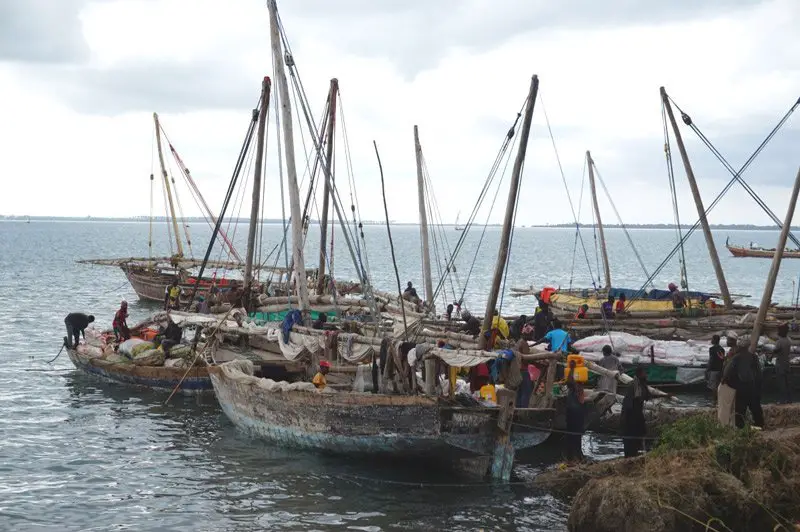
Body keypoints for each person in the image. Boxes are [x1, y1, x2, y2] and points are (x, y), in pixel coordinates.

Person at [722, 345, 764, 429]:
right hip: (753, 386)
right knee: (755, 407)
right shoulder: (754, 356)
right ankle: (759, 425)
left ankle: (741, 427)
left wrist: (724, 379)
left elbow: (727, 370)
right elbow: (759, 372)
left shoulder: (737, 357)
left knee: (740, 408)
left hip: (742, 386)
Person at [620, 366, 651, 457]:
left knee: (638, 436)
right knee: (631, 438)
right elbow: (629, 403)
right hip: (630, 416)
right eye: (644, 373)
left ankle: (634, 454)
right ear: (640, 374)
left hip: (637, 414)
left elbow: (647, 396)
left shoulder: (642, 385)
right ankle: (629, 456)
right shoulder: (633, 385)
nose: (646, 375)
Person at [564, 359, 586, 462]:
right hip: (575, 413)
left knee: (573, 436)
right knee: (575, 435)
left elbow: (570, 382)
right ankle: (575, 457)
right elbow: (570, 382)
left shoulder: (574, 389)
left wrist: (572, 369)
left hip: (573, 413)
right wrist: (572, 369)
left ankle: (575, 456)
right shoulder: (576, 389)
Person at [771, 324, 792, 404]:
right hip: (787, 363)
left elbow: (775, 350)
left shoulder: (780, 341)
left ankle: (782, 400)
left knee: (781, 383)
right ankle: (789, 399)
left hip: (780, 364)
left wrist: (772, 353)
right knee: (787, 383)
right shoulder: (789, 340)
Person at [707, 334, 725, 403]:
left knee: (713, 387)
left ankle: (714, 401)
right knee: (718, 386)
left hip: (713, 370)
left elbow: (711, 360)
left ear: (714, 340)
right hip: (720, 370)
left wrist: (707, 369)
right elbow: (722, 359)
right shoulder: (722, 349)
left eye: (712, 339)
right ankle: (718, 401)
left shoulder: (711, 349)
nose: (711, 340)